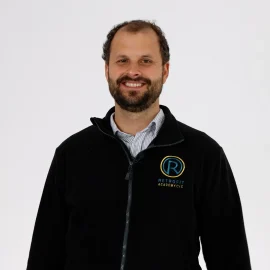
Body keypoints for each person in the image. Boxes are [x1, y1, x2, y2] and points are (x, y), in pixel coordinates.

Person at [26, 20, 252, 270]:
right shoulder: (72, 154)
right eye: (122, 60)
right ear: (107, 70)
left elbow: (231, 257)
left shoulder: (204, 154)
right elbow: (44, 256)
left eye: (146, 61)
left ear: (165, 70)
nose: (133, 72)